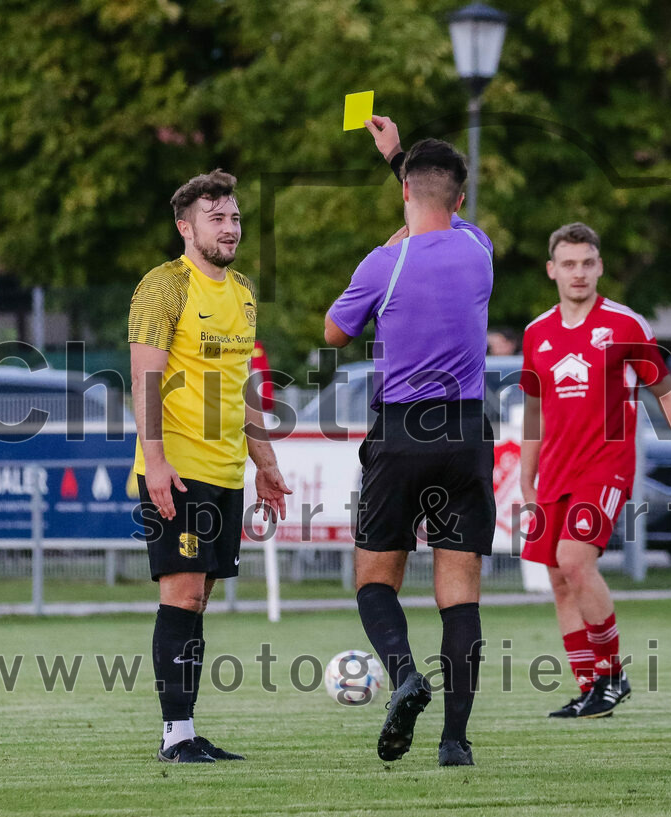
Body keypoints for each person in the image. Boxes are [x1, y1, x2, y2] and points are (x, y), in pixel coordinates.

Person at [324, 116, 496, 767]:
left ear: (403, 194)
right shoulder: (479, 250)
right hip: (466, 431)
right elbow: (439, 209)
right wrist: (397, 156)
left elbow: (334, 333)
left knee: (375, 579)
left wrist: (386, 243)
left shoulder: (383, 263)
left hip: (401, 431)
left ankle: (403, 676)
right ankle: (455, 742)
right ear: (460, 198)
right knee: (460, 592)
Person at [129, 169, 291, 763]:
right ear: (185, 226)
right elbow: (144, 379)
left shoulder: (243, 291)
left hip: (225, 471)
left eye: (235, 217)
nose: (230, 228)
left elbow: (244, 388)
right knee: (183, 592)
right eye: (216, 218)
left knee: (199, 600)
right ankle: (176, 735)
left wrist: (265, 464)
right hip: (176, 468)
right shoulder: (164, 286)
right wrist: (156, 462)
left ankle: (187, 731)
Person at [519, 222, 671, 718]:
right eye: (568, 264)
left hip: (605, 467)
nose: (578, 273)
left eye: (587, 263)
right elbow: (534, 409)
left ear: (599, 266)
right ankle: (591, 689)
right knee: (558, 576)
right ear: (552, 270)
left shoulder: (625, 324)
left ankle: (611, 676)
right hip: (554, 471)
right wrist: (525, 475)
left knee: (574, 561)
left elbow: (667, 394)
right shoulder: (536, 333)